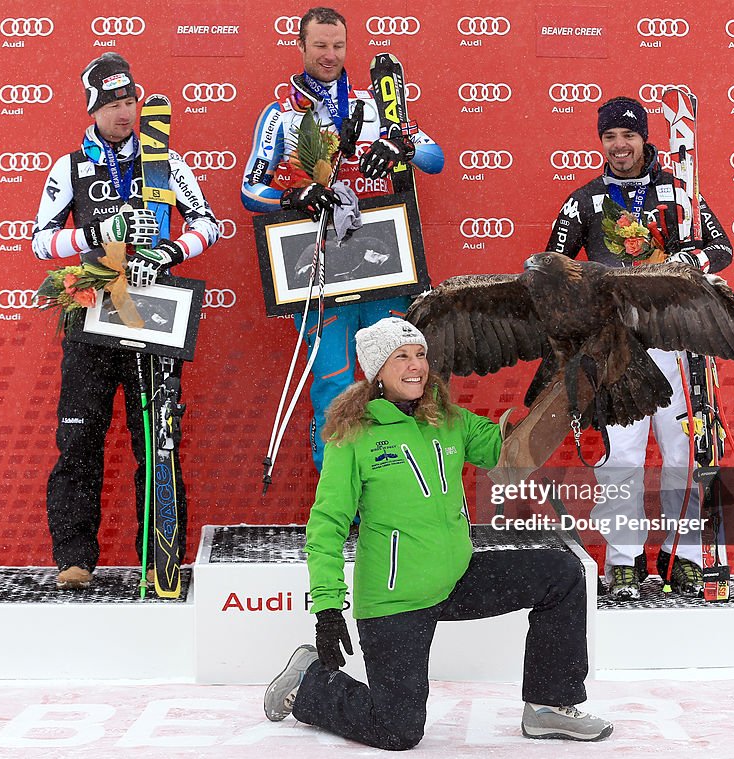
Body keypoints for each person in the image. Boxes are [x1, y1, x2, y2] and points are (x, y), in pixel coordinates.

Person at [264, 317, 612, 749]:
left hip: (456, 577)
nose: (417, 365)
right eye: (402, 356)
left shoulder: (446, 419)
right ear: (377, 371)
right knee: (397, 731)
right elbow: (327, 526)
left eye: (421, 354)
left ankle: (548, 706)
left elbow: (509, 453)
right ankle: (311, 681)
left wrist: (561, 397)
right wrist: (327, 609)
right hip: (396, 597)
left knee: (560, 573)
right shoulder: (352, 437)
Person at [31, 53, 220, 590]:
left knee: (157, 441)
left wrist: (170, 253)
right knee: (81, 439)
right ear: (92, 110)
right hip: (92, 311)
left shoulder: (164, 160)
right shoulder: (70, 167)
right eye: (111, 104)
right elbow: (40, 239)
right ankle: (74, 556)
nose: (122, 112)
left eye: (128, 101)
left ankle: (161, 558)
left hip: (153, 314)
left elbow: (208, 223)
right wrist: (94, 236)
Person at [544, 95, 733, 600]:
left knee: (683, 456)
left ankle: (684, 557)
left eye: (628, 135)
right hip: (618, 352)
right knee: (622, 458)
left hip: (678, 344)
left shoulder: (680, 191)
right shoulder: (583, 201)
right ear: (600, 141)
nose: (619, 146)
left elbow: (722, 248)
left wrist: (688, 262)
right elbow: (553, 270)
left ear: (644, 138)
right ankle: (624, 561)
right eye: (609, 137)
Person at [241, 6, 444, 472]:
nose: (329, 55)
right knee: (334, 385)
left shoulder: (375, 105)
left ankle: (392, 489)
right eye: (320, 46)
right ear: (301, 47)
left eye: (337, 46)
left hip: (385, 264)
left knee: (396, 380)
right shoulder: (281, 115)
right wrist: (295, 195)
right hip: (318, 268)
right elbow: (251, 189)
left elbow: (435, 159)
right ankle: (339, 497)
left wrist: (404, 146)